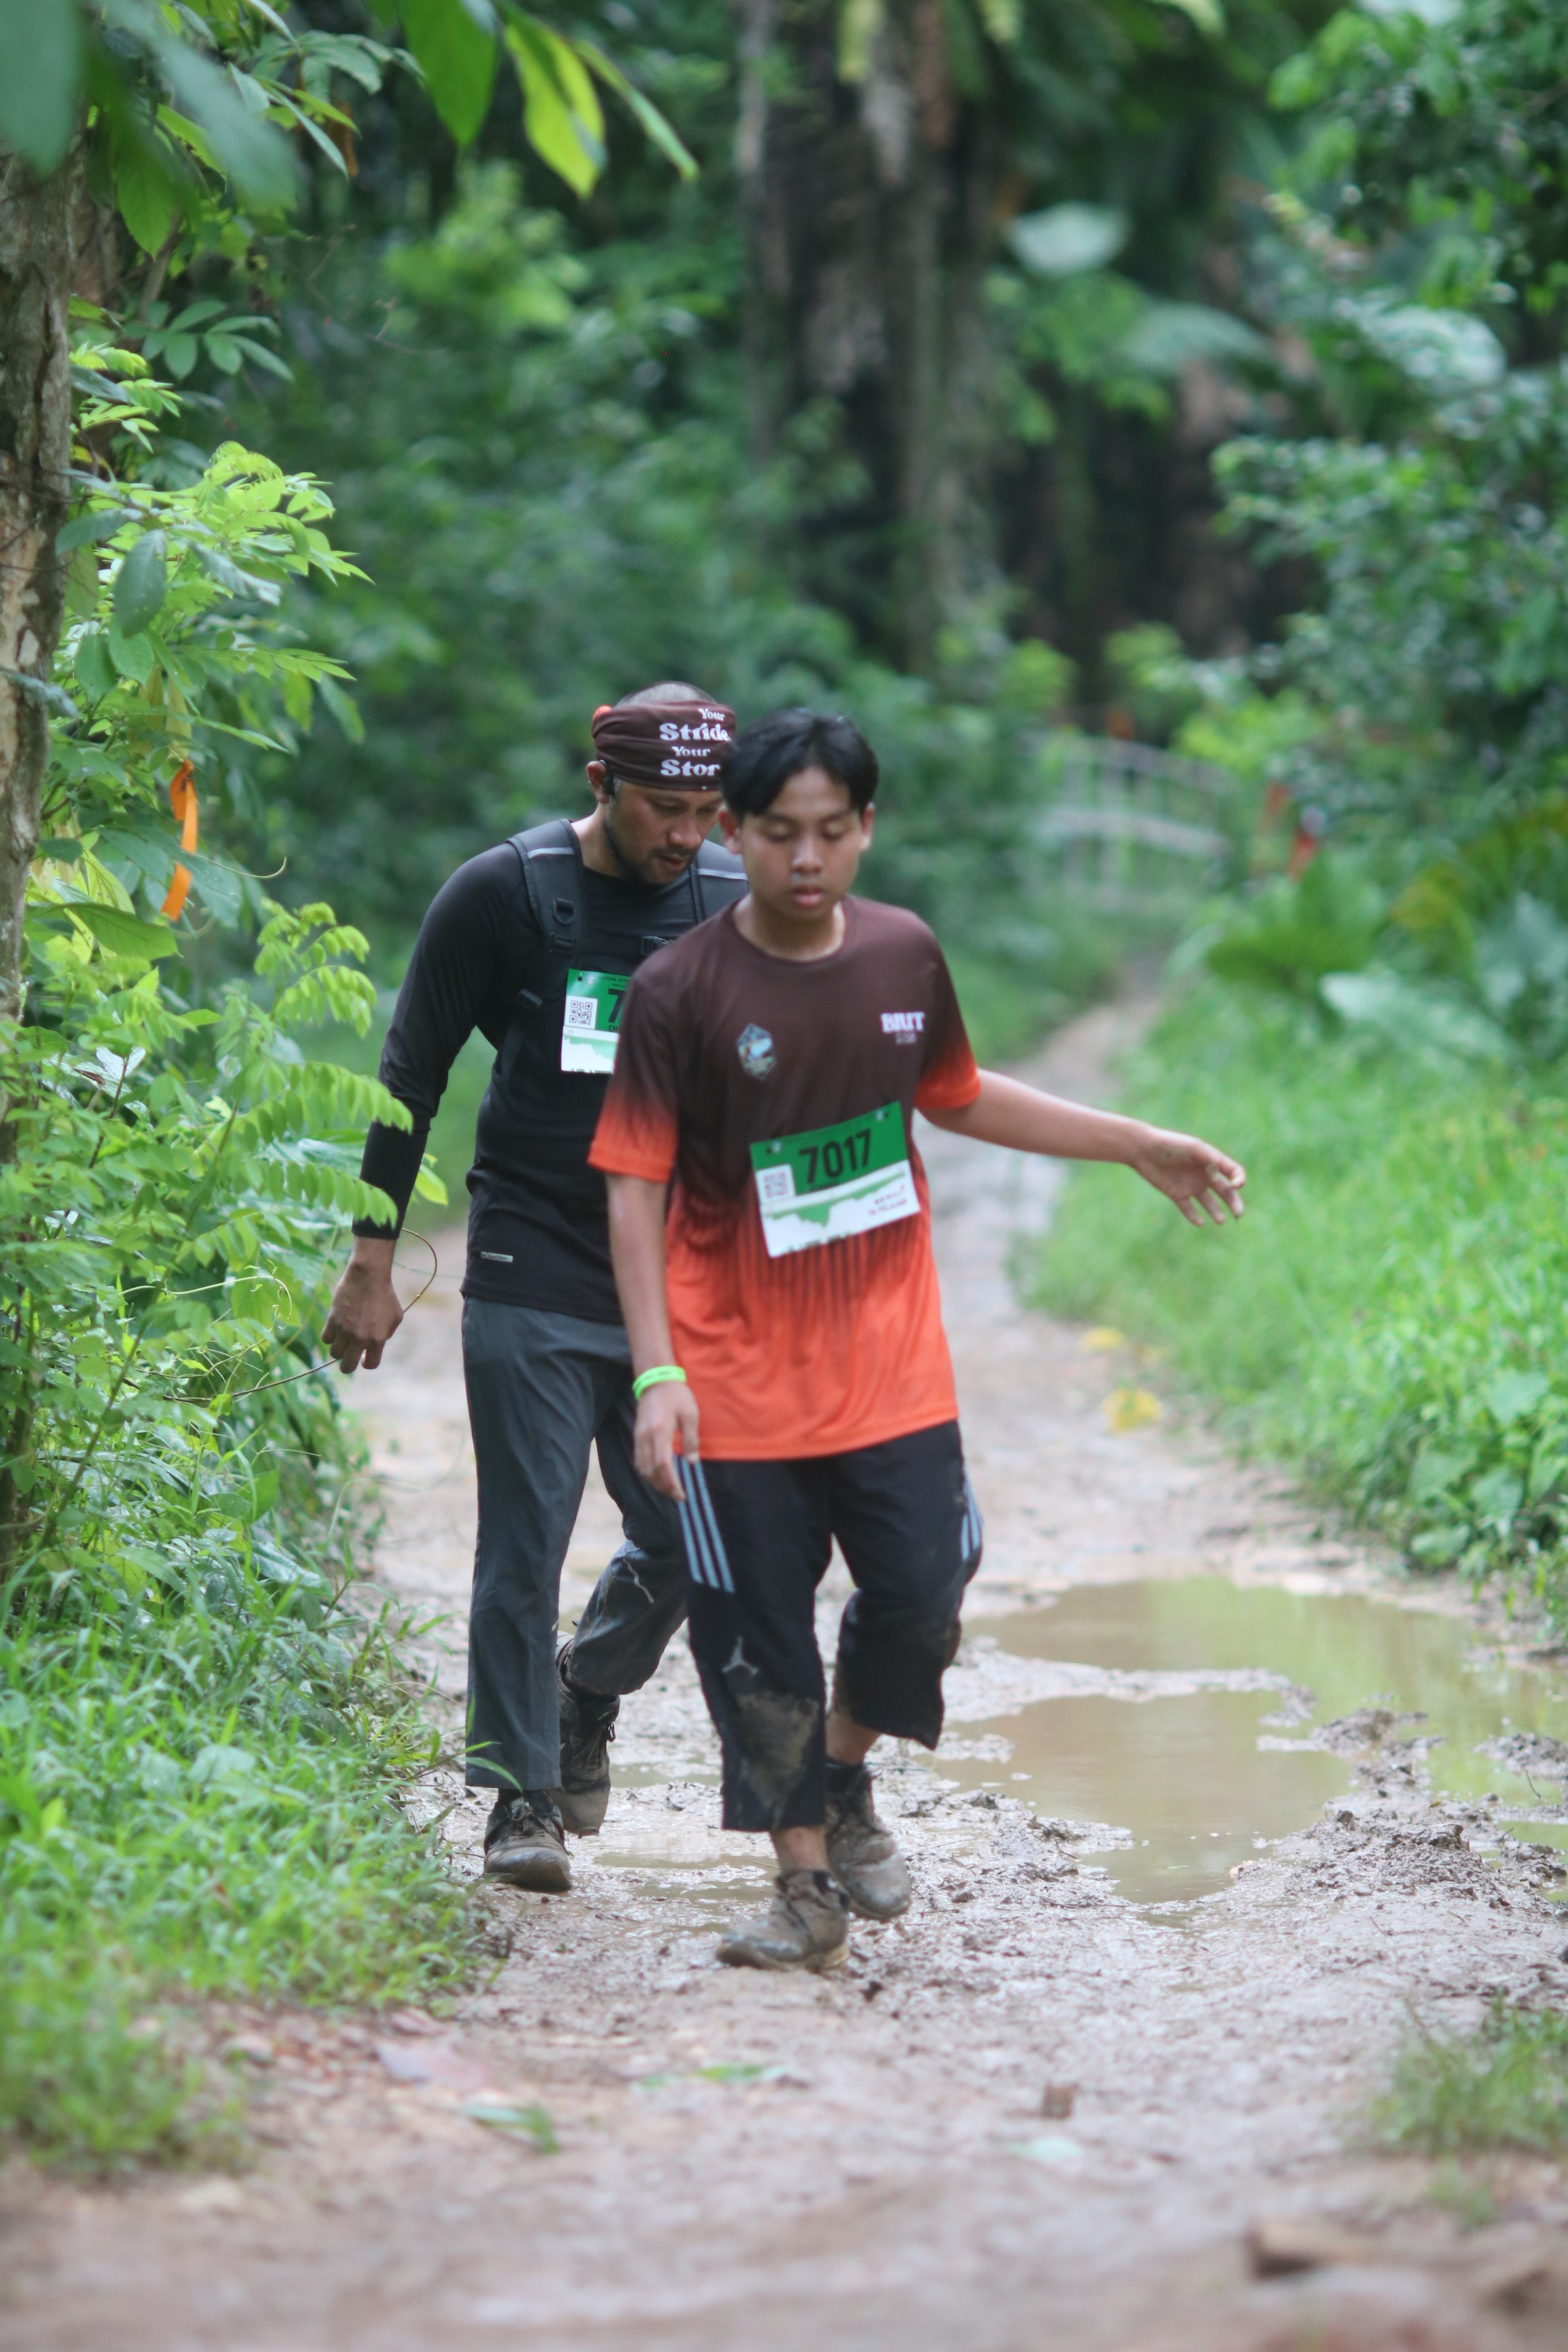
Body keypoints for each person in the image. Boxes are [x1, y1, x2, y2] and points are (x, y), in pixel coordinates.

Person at [589, 707, 1247, 1971]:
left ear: (867, 829)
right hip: (734, 1383)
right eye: (779, 833)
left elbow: (960, 1094)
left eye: (833, 831)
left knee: (926, 1586)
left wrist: (1136, 1143)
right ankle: (803, 1888)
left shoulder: (904, 956)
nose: (807, 860)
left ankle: (842, 1774)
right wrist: (659, 1370)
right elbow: (632, 1185)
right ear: (734, 832)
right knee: (756, 1637)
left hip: (890, 1369)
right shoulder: (681, 992)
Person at [322, 683, 747, 1895]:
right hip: (531, 1257)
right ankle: (521, 1795)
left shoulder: (732, 902)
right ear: (600, 785)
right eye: (663, 809)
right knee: (527, 1538)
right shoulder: (504, 894)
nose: (686, 835)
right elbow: (409, 1073)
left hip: (673, 1278)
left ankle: (584, 1693)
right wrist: (371, 1259)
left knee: (698, 1530)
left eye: (707, 812)